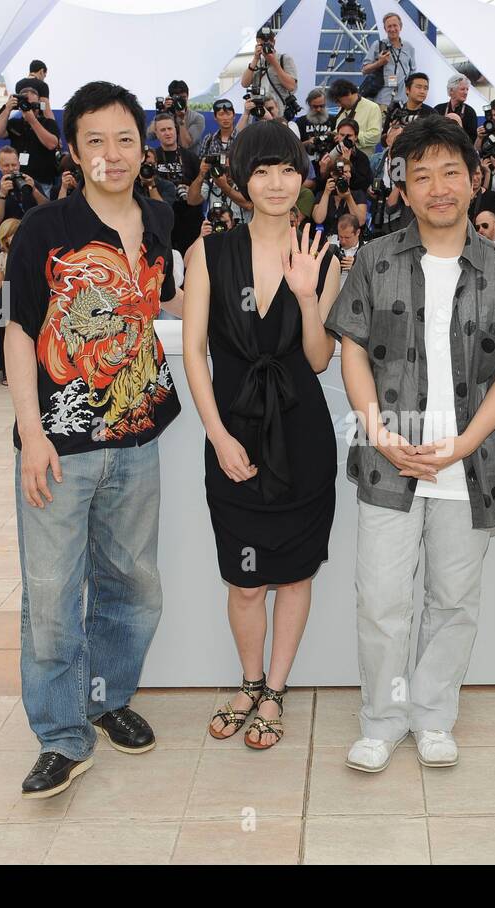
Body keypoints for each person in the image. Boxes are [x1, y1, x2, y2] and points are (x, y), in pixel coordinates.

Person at [324, 116, 495, 773]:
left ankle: (433, 715)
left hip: (470, 464)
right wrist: (380, 431)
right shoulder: (376, 258)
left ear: (475, 178)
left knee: (453, 601)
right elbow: (352, 350)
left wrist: (464, 442)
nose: (438, 187)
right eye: (421, 175)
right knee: (383, 598)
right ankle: (383, 718)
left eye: (451, 172)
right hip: (389, 460)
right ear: (404, 187)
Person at [4, 81, 183, 799]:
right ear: (73, 152)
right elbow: (20, 332)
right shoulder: (46, 229)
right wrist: (31, 432)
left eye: (125, 139)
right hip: (59, 444)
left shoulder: (164, 218)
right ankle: (61, 735)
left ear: (145, 146)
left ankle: (106, 697)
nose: (113, 154)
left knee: (132, 583)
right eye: (96, 142)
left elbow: (166, 298)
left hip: (139, 439)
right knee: (51, 594)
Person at [182, 121, 341, 751]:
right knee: (245, 579)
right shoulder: (210, 252)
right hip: (234, 433)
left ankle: (276, 690)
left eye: (287, 170)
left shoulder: (322, 252)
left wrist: (307, 298)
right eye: (262, 171)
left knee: (296, 576)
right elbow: (195, 352)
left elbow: (321, 358)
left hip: (302, 438)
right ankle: (248, 682)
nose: (276, 183)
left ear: (302, 177)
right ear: (242, 181)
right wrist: (218, 435)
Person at [0, 81, 62, 197]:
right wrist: (7, 109)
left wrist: (32, 121)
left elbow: (52, 144)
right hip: (18, 181)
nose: (30, 108)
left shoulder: (49, 123)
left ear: (39, 104)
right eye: (26, 104)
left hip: (43, 183)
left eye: (33, 104)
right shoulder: (15, 124)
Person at [150, 111, 203, 257]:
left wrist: (190, 189)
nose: (167, 133)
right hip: (162, 221)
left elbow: (202, 188)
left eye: (170, 128)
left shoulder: (190, 157)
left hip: (189, 221)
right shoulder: (151, 157)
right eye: (163, 130)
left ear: (176, 129)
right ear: (157, 133)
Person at [189, 101, 252, 225]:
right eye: (221, 114)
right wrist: (202, 173)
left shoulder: (244, 139)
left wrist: (227, 182)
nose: (225, 118)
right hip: (213, 184)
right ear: (215, 117)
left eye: (228, 114)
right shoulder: (208, 139)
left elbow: (249, 204)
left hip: (238, 184)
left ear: (234, 115)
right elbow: (192, 200)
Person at [361, 11, 416, 109]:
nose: (392, 29)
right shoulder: (378, 45)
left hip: (403, 100)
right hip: (382, 100)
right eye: (389, 26)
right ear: (385, 29)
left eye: (395, 25)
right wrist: (379, 63)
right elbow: (364, 70)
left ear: (400, 27)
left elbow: (413, 73)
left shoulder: (409, 47)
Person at [241, 25, 298, 117]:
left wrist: (274, 63)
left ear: (274, 42)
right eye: (262, 44)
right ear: (257, 43)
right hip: (259, 113)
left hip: (279, 114)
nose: (265, 47)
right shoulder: (258, 62)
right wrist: (255, 58)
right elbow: (244, 84)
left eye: (267, 44)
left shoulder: (285, 59)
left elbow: (291, 86)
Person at [0, 217, 20, 386]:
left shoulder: (31, 255)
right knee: (0, 315)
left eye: (17, 233)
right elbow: (1, 286)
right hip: (7, 296)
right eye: (11, 234)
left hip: (25, 296)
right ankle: (6, 371)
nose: (14, 237)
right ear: (4, 238)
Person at [0, 146, 48, 228]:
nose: (11, 169)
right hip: (10, 236)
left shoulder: (31, 183)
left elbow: (47, 208)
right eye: (6, 165)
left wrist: (34, 190)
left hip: (35, 230)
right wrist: (2, 194)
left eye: (14, 165)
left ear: (19, 164)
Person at [328, 79, 384, 150]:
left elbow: (375, 137)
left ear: (349, 93)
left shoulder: (373, 108)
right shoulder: (343, 108)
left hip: (363, 156)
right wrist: (334, 134)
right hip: (342, 154)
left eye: (339, 101)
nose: (338, 105)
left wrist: (351, 136)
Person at [159, 79, 205, 149]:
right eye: (177, 98)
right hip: (168, 158)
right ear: (171, 98)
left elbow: (186, 145)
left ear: (188, 96)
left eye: (183, 97)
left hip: (190, 159)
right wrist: (162, 112)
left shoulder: (198, 118)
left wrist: (181, 120)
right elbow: (150, 135)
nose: (180, 101)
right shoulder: (166, 116)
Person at [433, 75, 478, 141]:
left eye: (467, 89)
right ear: (451, 91)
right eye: (462, 89)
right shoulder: (438, 109)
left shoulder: (470, 112)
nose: (466, 92)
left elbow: (472, 140)